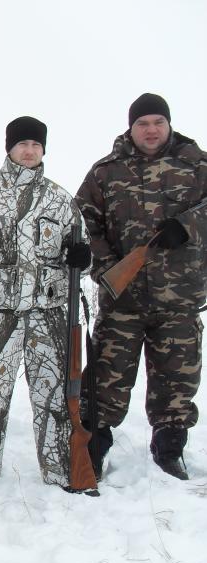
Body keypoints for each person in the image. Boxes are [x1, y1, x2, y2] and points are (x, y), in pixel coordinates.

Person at [0, 116, 91, 488]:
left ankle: (61, 472)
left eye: (36, 145)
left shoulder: (60, 199)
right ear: (9, 148)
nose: (29, 150)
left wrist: (82, 258)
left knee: (54, 395)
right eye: (22, 143)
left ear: (43, 150)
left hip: (47, 314)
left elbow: (83, 258)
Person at [76, 93, 207, 480]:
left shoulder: (198, 166)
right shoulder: (106, 172)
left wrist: (187, 226)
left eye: (158, 122)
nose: (151, 130)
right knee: (106, 379)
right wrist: (107, 267)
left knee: (177, 380)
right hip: (123, 300)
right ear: (131, 128)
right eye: (142, 124)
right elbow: (82, 222)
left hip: (180, 298)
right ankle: (94, 449)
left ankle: (169, 450)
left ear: (169, 125)